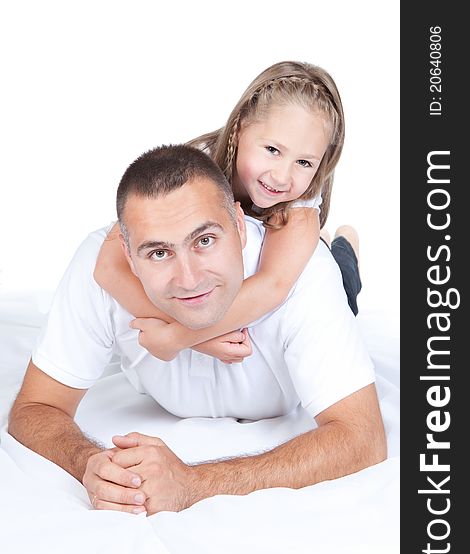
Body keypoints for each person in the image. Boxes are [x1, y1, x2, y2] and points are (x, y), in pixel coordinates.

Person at [8, 144, 386, 517]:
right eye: (159, 253)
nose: (189, 279)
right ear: (127, 254)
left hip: (329, 279)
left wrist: (193, 484)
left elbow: (363, 438)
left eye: (205, 241)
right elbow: (35, 407)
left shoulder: (305, 276)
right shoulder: (100, 267)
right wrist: (92, 464)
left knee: (342, 278)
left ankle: (344, 245)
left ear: (239, 226)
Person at [93, 61, 353, 364]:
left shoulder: (301, 207)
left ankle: (345, 246)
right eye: (272, 150)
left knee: (337, 286)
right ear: (240, 128)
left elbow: (273, 285)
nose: (282, 176)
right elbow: (108, 268)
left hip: (311, 261)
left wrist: (178, 337)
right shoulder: (195, 167)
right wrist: (202, 339)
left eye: (304, 163)